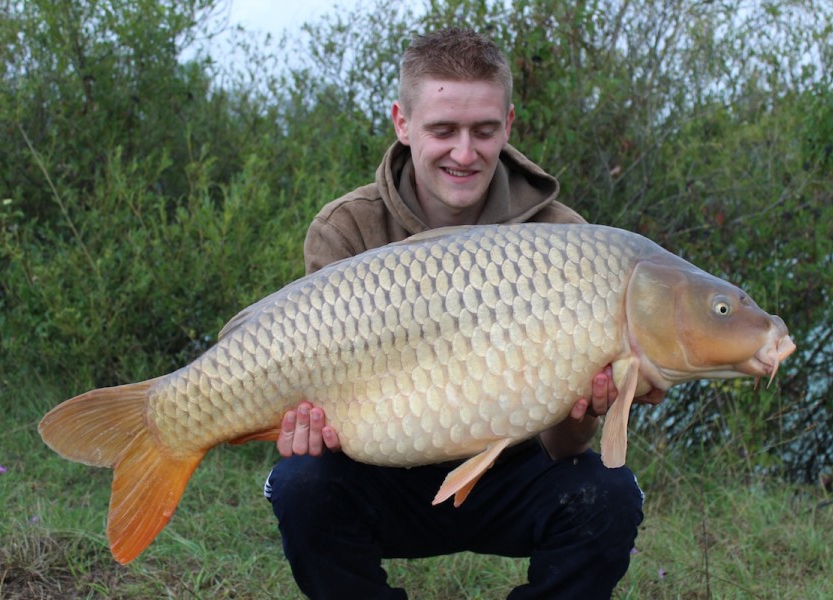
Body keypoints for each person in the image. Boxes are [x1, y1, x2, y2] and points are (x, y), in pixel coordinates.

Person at [264, 27, 662, 599]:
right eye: (443, 130)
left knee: (611, 493)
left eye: (483, 130)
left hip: (515, 473)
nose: (464, 152)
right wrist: (309, 427)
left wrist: (589, 405)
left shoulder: (566, 240)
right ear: (403, 122)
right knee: (300, 482)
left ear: (509, 124)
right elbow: (323, 403)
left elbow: (568, 445)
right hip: (388, 472)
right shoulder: (347, 228)